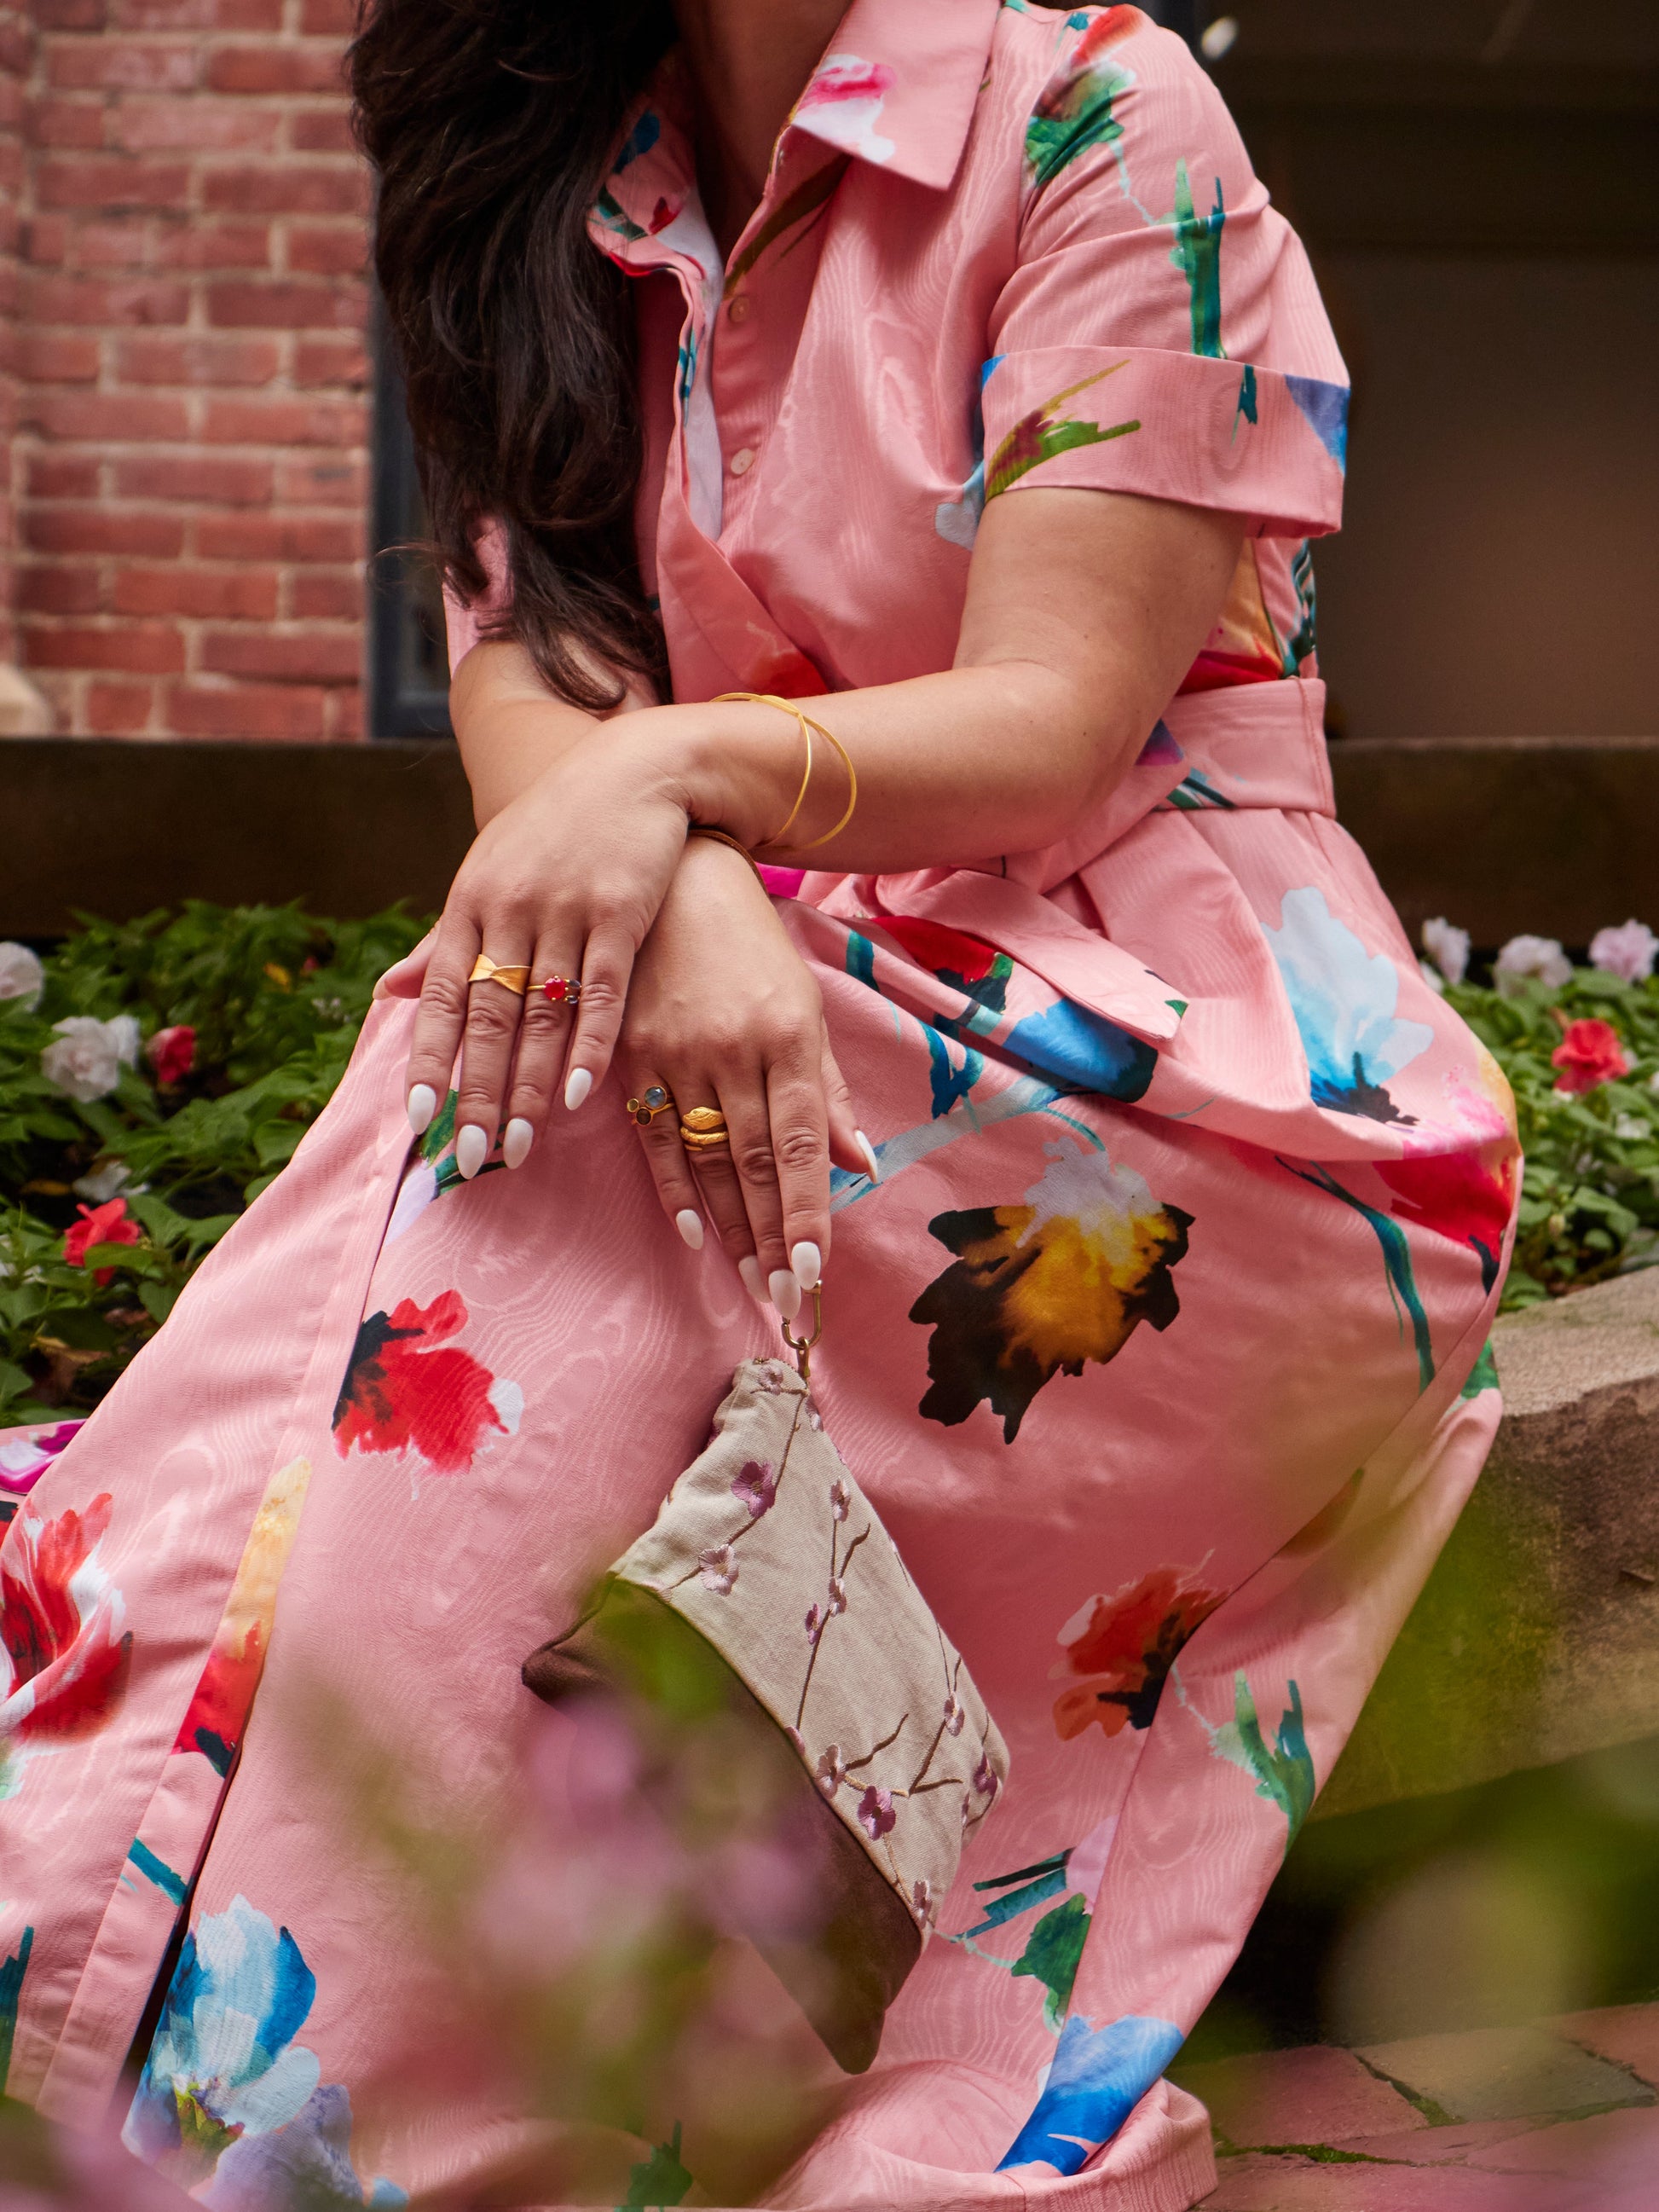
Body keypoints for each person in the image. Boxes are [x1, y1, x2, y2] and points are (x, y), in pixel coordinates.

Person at [0, 2, 1520, 2205]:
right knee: (519, 1052)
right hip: (770, 992)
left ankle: (256, 2081)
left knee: (505, 1100)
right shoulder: (547, 143)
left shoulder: (1094, 107)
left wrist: (676, 795)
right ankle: (225, 2038)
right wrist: (684, 881)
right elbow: (536, 654)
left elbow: (1057, 714)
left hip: (1196, 1096)